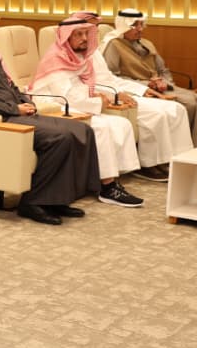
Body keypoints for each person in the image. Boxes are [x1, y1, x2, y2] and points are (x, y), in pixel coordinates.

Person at [0, 11, 101, 225]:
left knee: (83, 130)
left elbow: (10, 87)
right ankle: (32, 202)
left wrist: (26, 101)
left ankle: (58, 199)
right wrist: (14, 108)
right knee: (60, 138)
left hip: (17, 113)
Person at [29, 15, 145, 207]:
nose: (84, 38)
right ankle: (107, 188)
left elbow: (81, 89)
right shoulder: (55, 59)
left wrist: (97, 95)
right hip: (54, 107)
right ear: (66, 37)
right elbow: (66, 95)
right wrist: (97, 100)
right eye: (78, 34)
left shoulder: (79, 57)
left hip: (74, 104)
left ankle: (109, 178)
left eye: (86, 33)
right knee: (100, 128)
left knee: (121, 123)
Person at [65, 11, 192, 179]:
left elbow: (109, 78)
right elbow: (84, 88)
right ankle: (150, 164)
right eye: (84, 31)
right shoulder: (64, 55)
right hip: (102, 98)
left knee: (176, 108)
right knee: (157, 114)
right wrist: (116, 94)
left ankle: (176, 161)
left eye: (93, 29)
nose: (90, 34)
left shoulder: (92, 52)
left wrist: (142, 90)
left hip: (115, 92)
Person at [101, 8, 197, 148]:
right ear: (123, 26)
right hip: (139, 90)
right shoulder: (113, 45)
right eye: (135, 25)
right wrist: (147, 84)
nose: (140, 29)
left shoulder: (147, 43)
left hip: (162, 87)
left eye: (141, 24)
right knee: (190, 104)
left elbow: (163, 70)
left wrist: (166, 83)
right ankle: (184, 149)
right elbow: (113, 77)